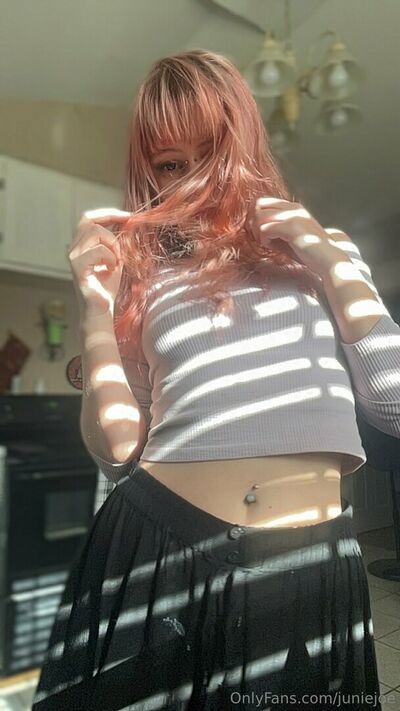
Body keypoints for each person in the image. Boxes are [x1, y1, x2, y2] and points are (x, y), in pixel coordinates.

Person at [32, 49, 400, 711]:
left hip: (311, 569)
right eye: (170, 165)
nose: (194, 181)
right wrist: (94, 306)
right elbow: (118, 451)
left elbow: (394, 404)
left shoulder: (326, 252)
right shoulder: (145, 281)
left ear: (245, 145)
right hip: (156, 546)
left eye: (210, 154)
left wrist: (323, 255)